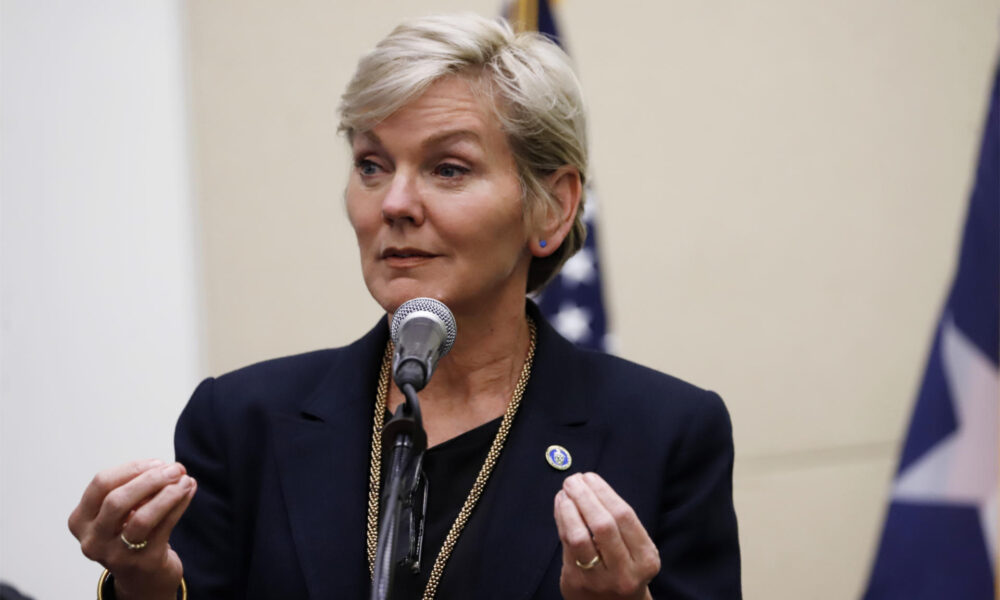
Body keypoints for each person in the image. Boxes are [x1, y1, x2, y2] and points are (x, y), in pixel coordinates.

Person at [69, 13, 740, 599]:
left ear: (553, 206)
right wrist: (145, 583)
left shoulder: (666, 433)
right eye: (372, 164)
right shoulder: (242, 423)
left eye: (449, 168)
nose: (393, 203)